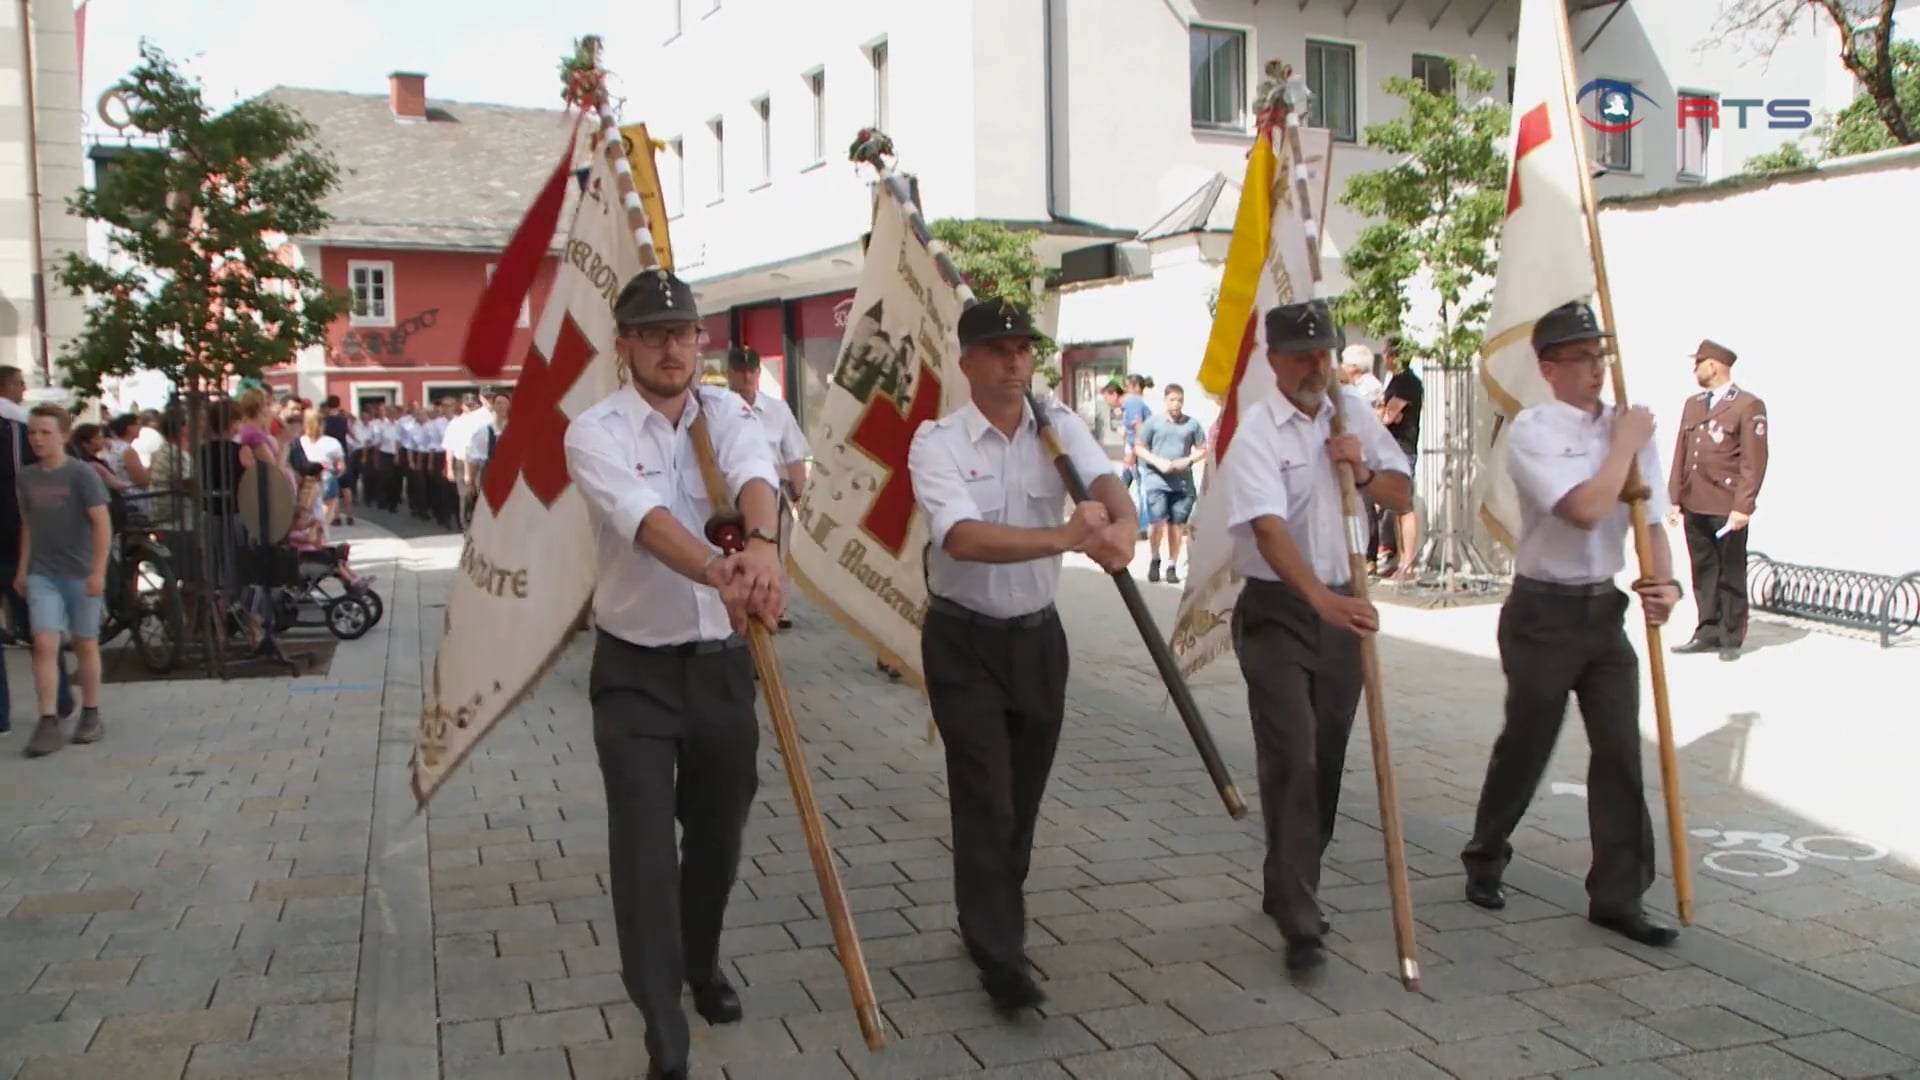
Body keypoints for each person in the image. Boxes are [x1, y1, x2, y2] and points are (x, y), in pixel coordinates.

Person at [562, 269, 786, 1080]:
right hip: (636, 676)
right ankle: (665, 1029)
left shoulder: (728, 412)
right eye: (651, 333)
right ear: (623, 345)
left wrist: (759, 551)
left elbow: (756, 477)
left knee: (719, 840)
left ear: (700, 340)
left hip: (725, 669)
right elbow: (648, 524)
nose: (669, 347)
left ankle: (701, 962)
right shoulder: (595, 432)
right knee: (645, 853)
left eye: (682, 332)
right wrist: (719, 572)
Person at [907, 298, 1136, 1012]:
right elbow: (964, 538)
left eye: (1023, 349)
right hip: (963, 637)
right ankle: (1000, 953)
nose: (1014, 361)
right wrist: (1066, 539)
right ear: (967, 361)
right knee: (984, 794)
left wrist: (1122, 527)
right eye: (997, 349)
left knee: (1021, 798)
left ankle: (992, 909)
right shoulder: (936, 442)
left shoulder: (1057, 427)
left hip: (1038, 638)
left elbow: (1108, 492)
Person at [1460, 300, 1683, 949]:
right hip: (1543, 611)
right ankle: (1486, 852)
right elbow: (1585, 508)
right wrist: (1623, 446)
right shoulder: (1534, 430)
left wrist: (1663, 582)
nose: (1596, 368)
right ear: (1549, 367)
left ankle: (1619, 895)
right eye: (1582, 357)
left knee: (1618, 750)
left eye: (1601, 355)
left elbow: (1652, 518)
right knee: (1529, 741)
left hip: (1601, 609)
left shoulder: (1629, 428)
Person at [1223, 300, 1412, 972]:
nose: (1316, 365)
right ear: (1271, 360)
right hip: (1281, 610)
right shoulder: (1257, 435)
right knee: (1294, 753)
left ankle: (1289, 878)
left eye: (1325, 352)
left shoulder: (1352, 413)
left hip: (1344, 606)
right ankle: (1301, 915)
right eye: (1302, 354)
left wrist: (1361, 470)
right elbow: (1269, 533)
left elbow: (1401, 495)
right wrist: (1320, 601)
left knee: (1324, 760)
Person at [16, 405, 112, 757]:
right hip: (44, 572)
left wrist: (98, 571)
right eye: (32, 433)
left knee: (85, 642)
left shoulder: (81, 474)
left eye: (45, 432)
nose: (37, 439)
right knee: (44, 642)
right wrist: (24, 568)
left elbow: (101, 523)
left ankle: (91, 711)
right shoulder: (26, 477)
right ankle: (47, 719)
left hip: (80, 571)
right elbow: (29, 525)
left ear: (63, 435)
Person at [1666, 339, 1767, 661]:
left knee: (1730, 571)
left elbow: (1754, 461)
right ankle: (1707, 629)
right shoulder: (1693, 404)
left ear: (1714, 365)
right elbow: (1681, 452)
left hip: (1726, 505)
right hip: (1696, 500)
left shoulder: (1747, 405)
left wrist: (1743, 506)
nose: (1694, 369)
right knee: (1704, 570)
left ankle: (1730, 636)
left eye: (1698, 363)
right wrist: (1675, 498)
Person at [0, 367, 73, 728]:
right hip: (19, 540)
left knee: (39, 626)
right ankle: (57, 701)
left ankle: (50, 703)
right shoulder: (18, 429)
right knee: (38, 627)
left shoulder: (18, 428)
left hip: (19, 542)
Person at [724, 345, 809, 629]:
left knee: (775, 554)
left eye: (752, 370)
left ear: (759, 372)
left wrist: (803, 500)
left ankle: (773, 609)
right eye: (740, 370)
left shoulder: (777, 410)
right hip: (729, 497)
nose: (747, 376)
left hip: (772, 495)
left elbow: (793, 456)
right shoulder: (717, 408)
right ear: (729, 373)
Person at [1135, 383, 1206, 584]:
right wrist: (1157, 461)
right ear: (1165, 400)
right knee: (1157, 521)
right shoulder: (1153, 423)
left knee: (1176, 526)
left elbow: (1203, 448)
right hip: (1157, 480)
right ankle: (1155, 558)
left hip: (1182, 483)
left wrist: (1188, 460)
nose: (1176, 404)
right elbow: (1139, 447)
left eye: (1180, 400)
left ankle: (1172, 564)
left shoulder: (1192, 424)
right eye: (1173, 400)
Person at [1376, 338, 1423, 581]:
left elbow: (1389, 416)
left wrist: (1379, 413)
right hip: (1391, 449)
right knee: (1394, 508)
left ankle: (1408, 563)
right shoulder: (1395, 381)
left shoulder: (1407, 383)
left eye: (1385, 353)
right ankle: (1398, 561)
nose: (1383, 358)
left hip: (1403, 449)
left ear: (1393, 355)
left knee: (1404, 506)